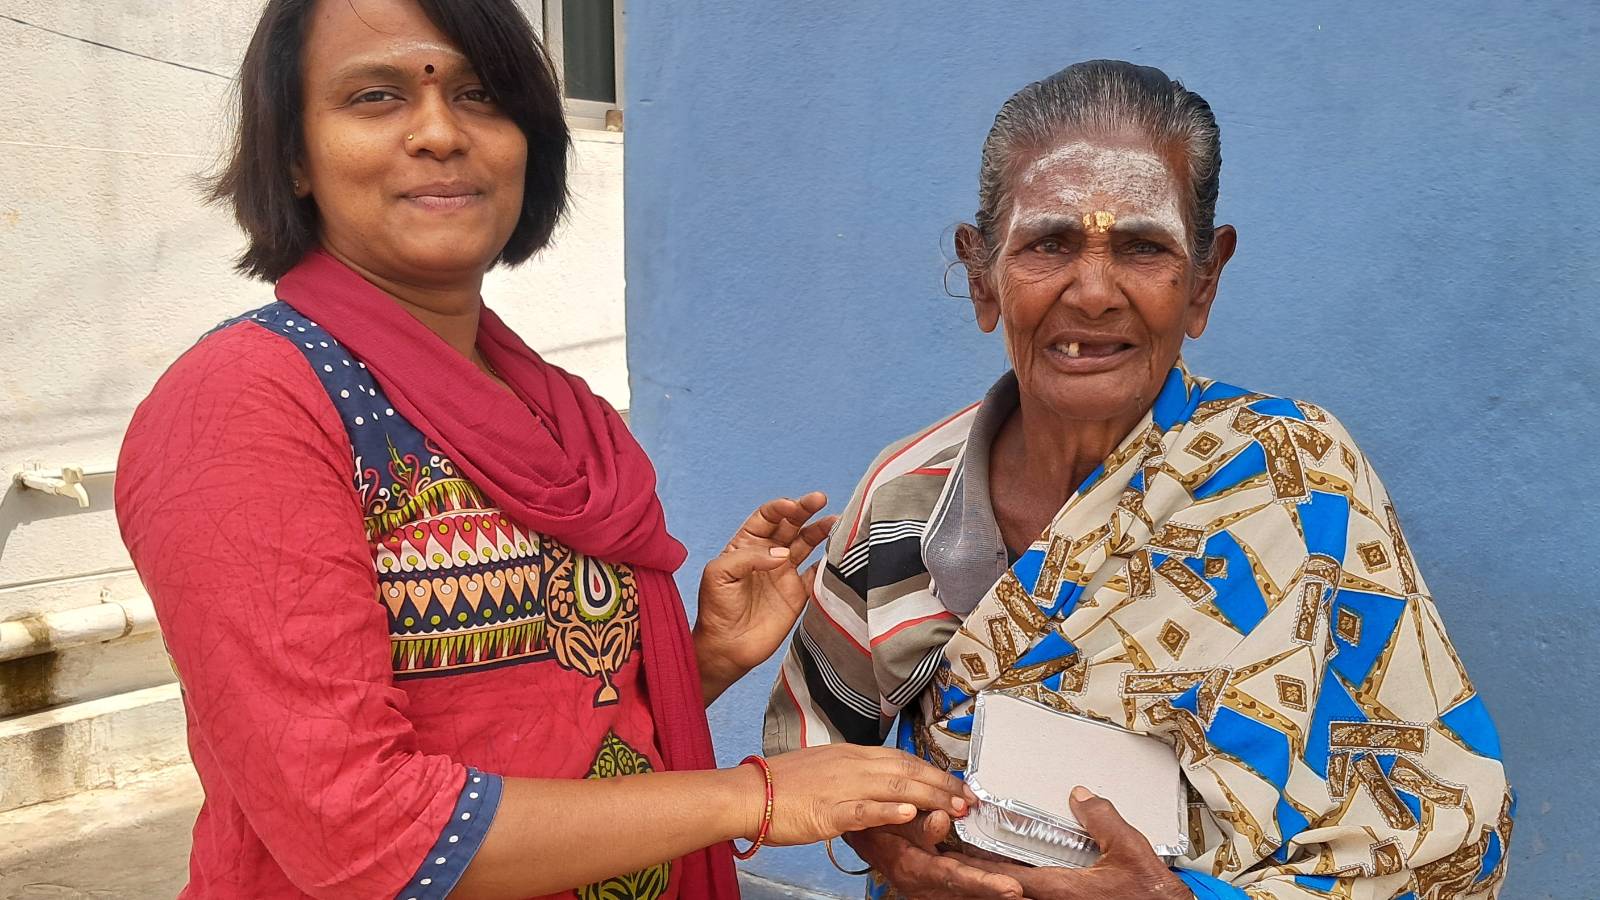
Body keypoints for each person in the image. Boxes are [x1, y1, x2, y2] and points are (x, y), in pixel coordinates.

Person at [114, 1, 974, 897]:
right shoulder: (248, 406)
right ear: (293, 156)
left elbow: (557, 732)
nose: (441, 133)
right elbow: (354, 824)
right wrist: (747, 799)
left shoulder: (560, 413)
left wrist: (699, 656)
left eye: (483, 96)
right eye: (376, 97)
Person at [765, 60, 1513, 900]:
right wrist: (899, 855)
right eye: (1047, 245)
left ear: (1203, 281)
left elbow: (1450, 826)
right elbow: (819, 757)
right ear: (982, 277)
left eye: (1142, 249)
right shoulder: (907, 495)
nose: (1092, 294)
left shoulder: (1296, 481)